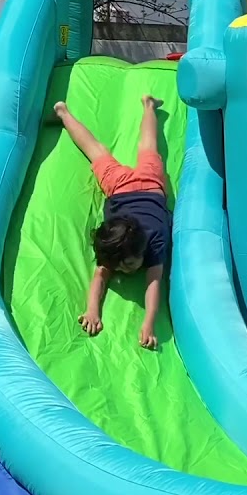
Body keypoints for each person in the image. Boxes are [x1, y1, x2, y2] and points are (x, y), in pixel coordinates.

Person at [54, 96, 168, 349]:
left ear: (142, 250)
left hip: (145, 186)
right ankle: (62, 113)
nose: (126, 271)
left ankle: (149, 105)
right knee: (97, 151)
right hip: (126, 188)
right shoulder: (116, 246)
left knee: (146, 147)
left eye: (128, 264)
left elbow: (153, 283)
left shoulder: (155, 239)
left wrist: (149, 322)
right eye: (122, 265)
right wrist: (92, 311)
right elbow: (100, 276)